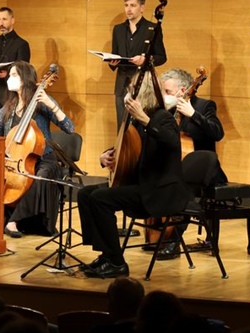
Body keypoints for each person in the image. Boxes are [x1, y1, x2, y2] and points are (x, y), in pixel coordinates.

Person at [77, 71, 191, 278]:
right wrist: (106, 155)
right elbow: (129, 145)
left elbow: (171, 142)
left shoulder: (162, 117)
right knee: (85, 194)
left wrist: (145, 120)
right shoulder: (137, 122)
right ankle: (106, 255)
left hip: (158, 191)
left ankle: (117, 262)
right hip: (139, 185)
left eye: (132, 90)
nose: (128, 93)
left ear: (143, 93)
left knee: (100, 199)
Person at [0, 61, 75, 238]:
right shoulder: (8, 107)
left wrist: (52, 105)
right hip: (14, 160)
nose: (9, 79)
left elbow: (69, 128)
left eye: (14, 75)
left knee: (41, 176)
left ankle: (14, 221)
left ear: (25, 78)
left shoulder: (42, 103)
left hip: (44, 159)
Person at [157, 68, 228, 259]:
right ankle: (158, 234)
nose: (164, 96)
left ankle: (173, 241)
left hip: (204, 172)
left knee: (183, 187)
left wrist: (194, 115)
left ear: (183, 90)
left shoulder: (204, 106)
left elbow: (217, 133)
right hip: (176, 169)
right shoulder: (166, 111)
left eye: (168, 92)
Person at [109, 0, 167, 129]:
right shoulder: (118, 29)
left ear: (142, 8)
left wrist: (145, 59)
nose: (128, 9)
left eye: (133, 5)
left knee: (140, 126)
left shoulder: (152, 28)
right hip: (122, 84)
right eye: (126, 5)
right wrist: (112, 63)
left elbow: (162, 57)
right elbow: (115, 53)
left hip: (143, 84)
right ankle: (122, 151)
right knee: (122, 127)